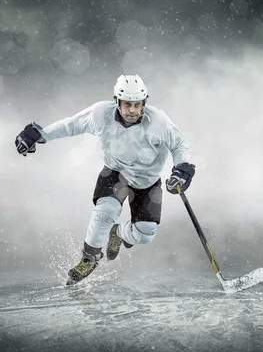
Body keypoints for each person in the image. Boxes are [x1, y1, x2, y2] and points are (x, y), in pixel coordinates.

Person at [14, 75, 196, 285]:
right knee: (105, 211)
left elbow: (179, 145)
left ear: (144, 103)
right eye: (127, 104)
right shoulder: (101, 114)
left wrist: (182, 169)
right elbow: (70, 126)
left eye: (137, 104)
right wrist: (41, 135)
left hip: (148, 181)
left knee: (146, 234)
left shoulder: (159, 122)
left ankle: (117, 233)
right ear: (116, 102)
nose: (132, 110)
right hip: (115, 173)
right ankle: (89, 258)